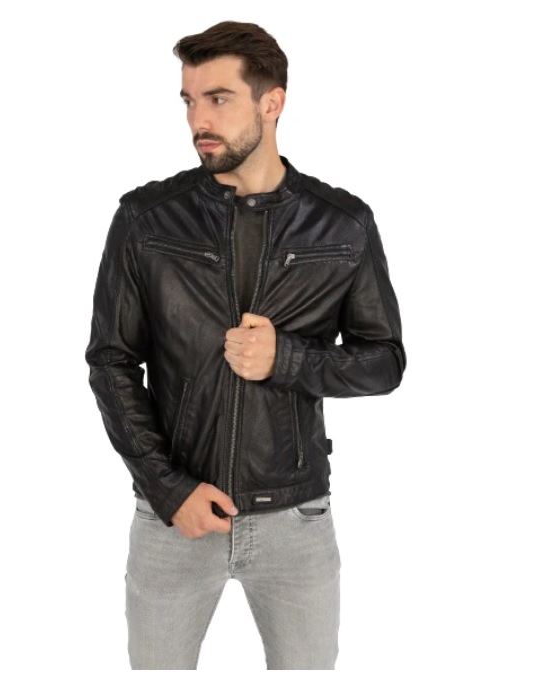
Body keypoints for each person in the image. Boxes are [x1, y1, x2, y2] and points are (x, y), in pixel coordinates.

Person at [83, 21, 405, 670]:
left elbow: (384, 361)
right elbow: (111, 362)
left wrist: (288, 359)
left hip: (296, 521)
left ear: (271, 102)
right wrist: (168, 488)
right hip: (173, 518)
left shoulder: (341, 224)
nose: (198, 120)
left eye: (218, 99)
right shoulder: (147, 219)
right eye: (189, 101)